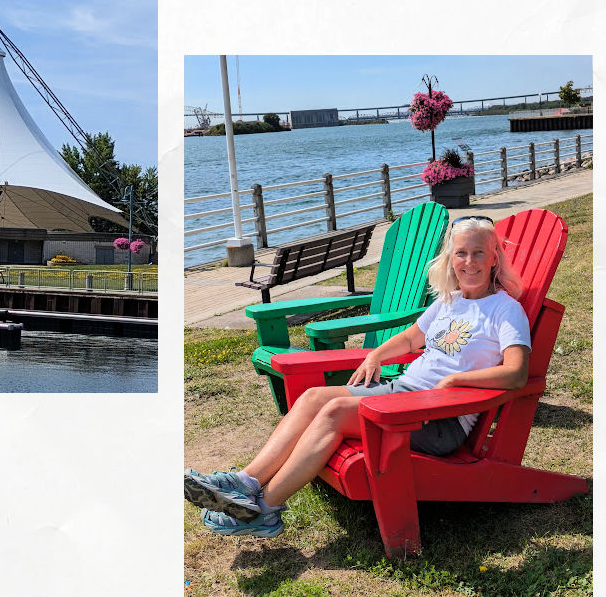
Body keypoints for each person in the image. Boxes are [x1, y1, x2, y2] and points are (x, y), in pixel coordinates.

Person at [185, 216, 531, 537]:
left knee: (334, 412)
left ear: (494, 259)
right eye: (461, 253)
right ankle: (245, 482)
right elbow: (413, 338)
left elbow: (516, 374)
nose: (469, 262)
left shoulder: (505, 309)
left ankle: (264, 510)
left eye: (478, 253)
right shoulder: (448, 301)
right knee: (313, 398)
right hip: (405, 394)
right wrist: (376, 355)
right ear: (450, 259)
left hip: (440, 418)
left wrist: (458, 381)